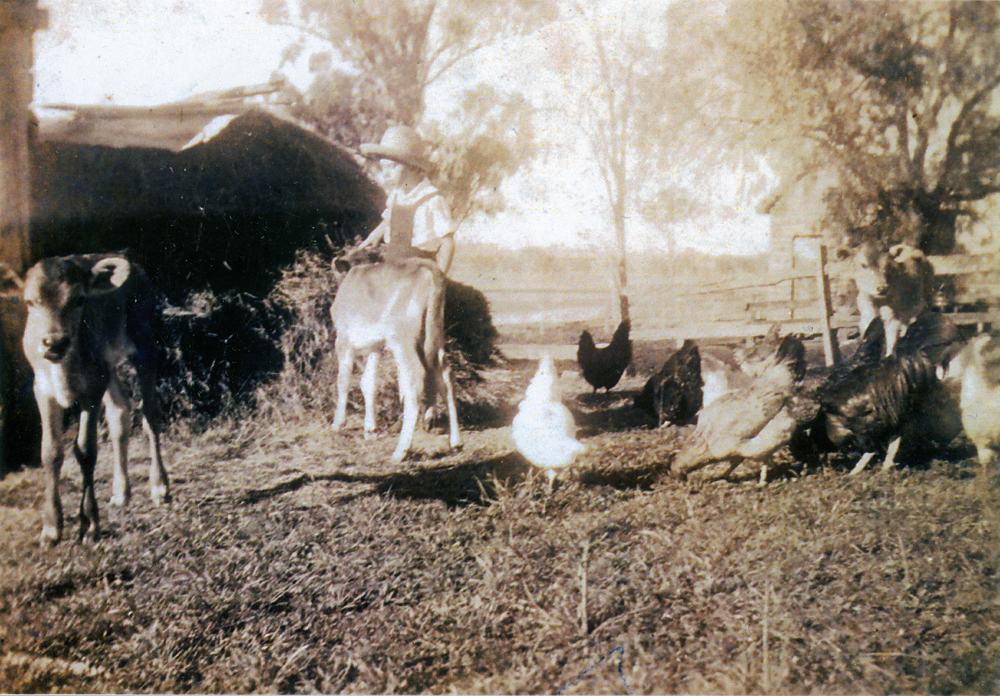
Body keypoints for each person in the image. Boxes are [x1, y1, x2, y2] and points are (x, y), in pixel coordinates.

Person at [357, 125, 456, 274]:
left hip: (419, 272)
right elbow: (389, 220)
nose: (386, 173)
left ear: (412, 167)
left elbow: (447, 243)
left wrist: (439, 277)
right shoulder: (396, 196)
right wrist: (373, 236)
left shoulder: (431, 200)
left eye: (391, 167)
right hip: (392, 267)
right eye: (383, 167)